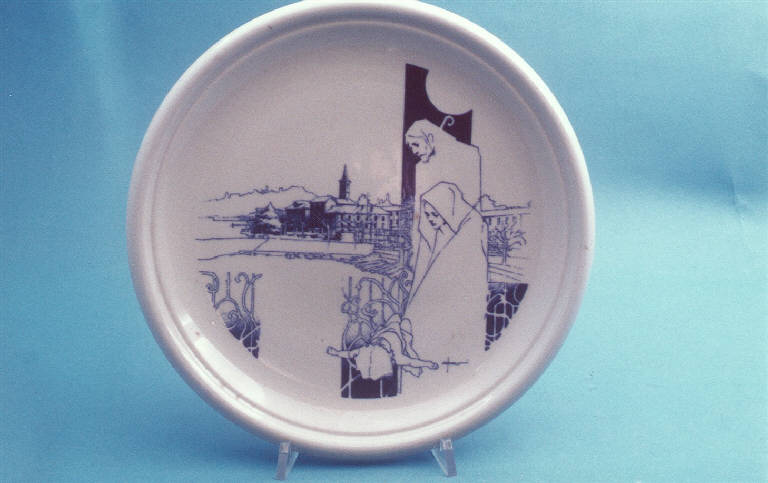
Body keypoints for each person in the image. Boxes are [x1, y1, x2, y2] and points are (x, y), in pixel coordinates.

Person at [404, 182, 488, 372]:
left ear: (447, 209)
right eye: (427, 215)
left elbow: (454, 270)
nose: (431, 219)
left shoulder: (468, 230)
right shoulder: (435, 236)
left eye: (435, 214)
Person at [405, 119, 481, 207]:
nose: (414, 151)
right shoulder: (420, 167)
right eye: (411, 147)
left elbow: (472, 199)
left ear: (430, 138)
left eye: (416, 144)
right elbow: (420, 205)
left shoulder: (469, 153)